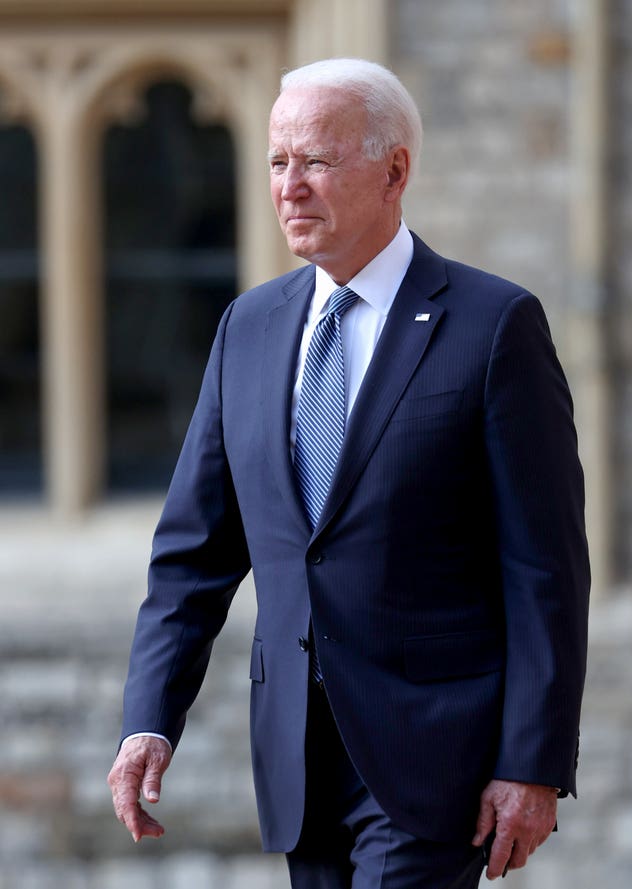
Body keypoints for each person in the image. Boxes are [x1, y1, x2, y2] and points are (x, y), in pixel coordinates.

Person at [108, 58, 590, 888]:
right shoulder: (248, 327)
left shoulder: (494, 325)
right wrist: (148, 719)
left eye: (317, 162)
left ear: (394, 170)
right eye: (276, 162)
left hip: (437, 760)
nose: (289, 186)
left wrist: (533, 762)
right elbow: (193, 553)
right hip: (295, 760)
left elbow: (544, 568)